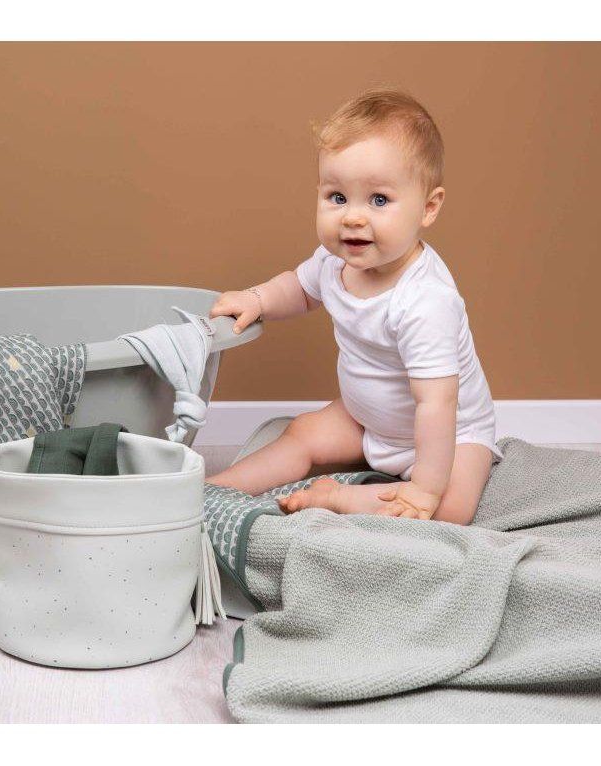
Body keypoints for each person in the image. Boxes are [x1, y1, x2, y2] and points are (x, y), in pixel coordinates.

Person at [206, 85, 501, 525]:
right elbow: (300, 288)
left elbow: (437, 405)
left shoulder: (424, 301)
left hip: (451, 434)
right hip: (366, 418)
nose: (353, 217)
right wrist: (258, 299)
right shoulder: (334, 262)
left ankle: (340, 497)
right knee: (302, 435)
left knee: (450, 508)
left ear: (428, 207)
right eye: (338, 197)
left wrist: (425, 487)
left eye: (379, 200)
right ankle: (211, 489)